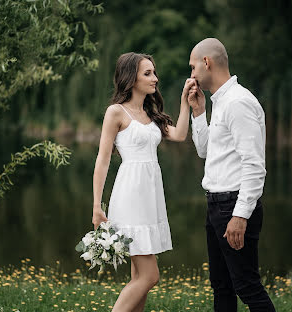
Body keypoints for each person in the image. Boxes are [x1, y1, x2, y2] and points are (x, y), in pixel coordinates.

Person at [92, 52, 194, 312]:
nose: (155, 79)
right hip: (130, 196)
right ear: (131, 78)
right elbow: (102, 160)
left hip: (151, 198)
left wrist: (185, 103)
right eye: (147, 73)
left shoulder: (151, 114)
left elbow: (180, 134)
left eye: (154, 72)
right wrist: (96, 206)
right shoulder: (116, 112)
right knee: (150, 277)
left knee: (139, 279)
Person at [187, 38, 276, 312]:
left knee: (247, 287)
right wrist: (199, 112)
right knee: (222, 288)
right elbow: (204, 151)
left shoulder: (238, 102)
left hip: (233, 207)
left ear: (206, 62)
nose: (191, 75)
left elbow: (254, 165)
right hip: (216, 204)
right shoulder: (221, 102)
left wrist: (240, 216)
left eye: (192, 68)